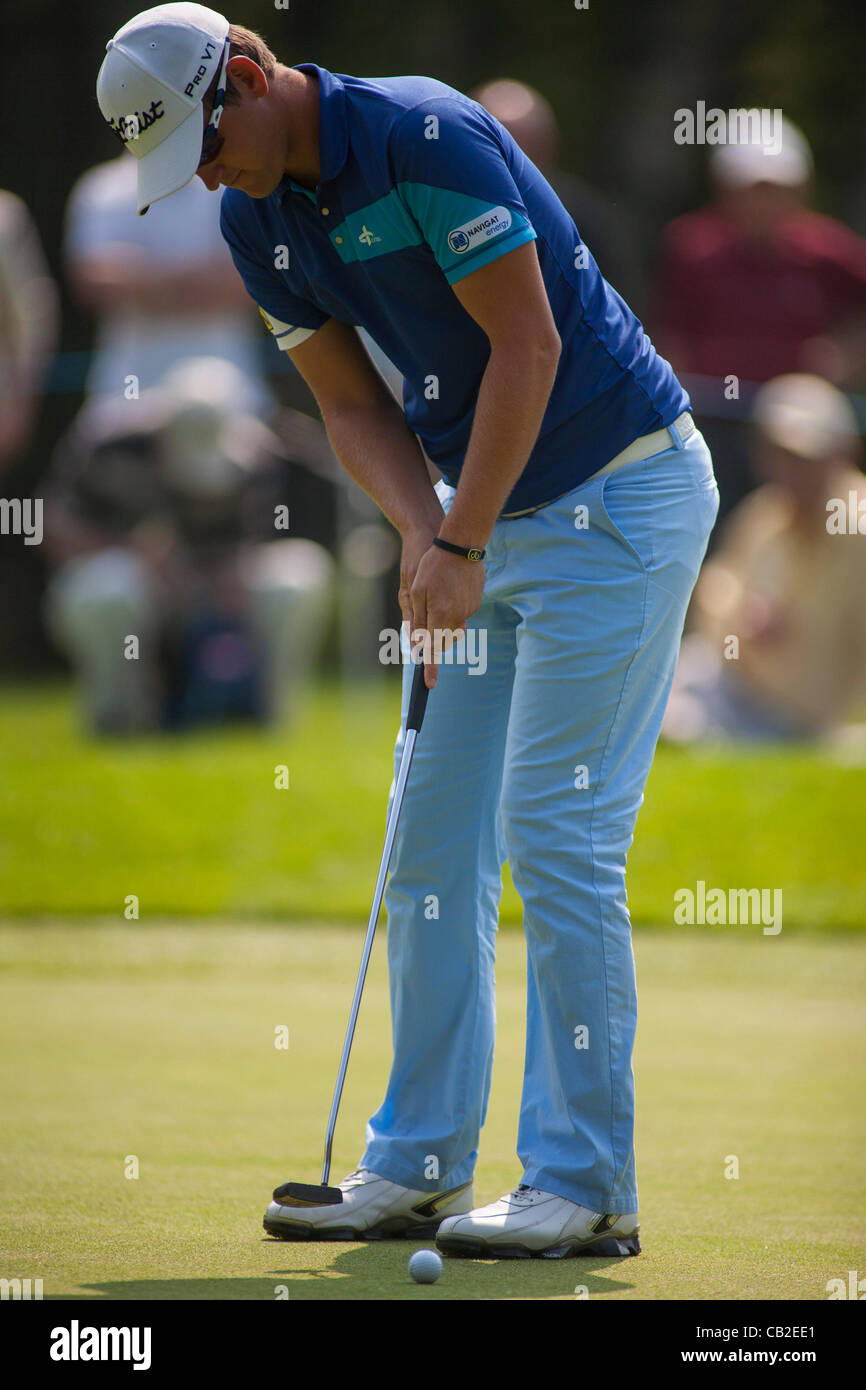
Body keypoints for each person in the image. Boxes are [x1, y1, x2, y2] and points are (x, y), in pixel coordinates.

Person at [96, 3, 719, 1257]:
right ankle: (419, 1159)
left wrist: (458, 541)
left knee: (554, 831)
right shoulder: (250, 218)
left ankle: (584, 1184)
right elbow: (345, 403)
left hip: (620, 494)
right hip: (481, 515)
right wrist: (422, 530)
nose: (207, 175)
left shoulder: (425, 136)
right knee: (427, 837)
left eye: (207, 144)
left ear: (253, 75)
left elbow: (525, 347)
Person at [652, 116, 866, 532]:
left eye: (776, 191)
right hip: (713, 426)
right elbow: (669, 333)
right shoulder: (691, 249)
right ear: (726, 192)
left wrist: (847, 354)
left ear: (801, 191)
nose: (764, 204)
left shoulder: (831, 252)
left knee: (812, 528)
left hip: (802, 432)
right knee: (714, 529)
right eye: (753, 191)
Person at [663, 374, 866, 744]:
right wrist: (742, 615)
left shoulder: (859, 522)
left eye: (805, 458)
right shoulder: (767, 513)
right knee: (643, 684)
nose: (790, 470)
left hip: (802, 722)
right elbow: (716, 589)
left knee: (664, 722)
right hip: (732, 687)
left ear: (841, 454)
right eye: (780, 455)